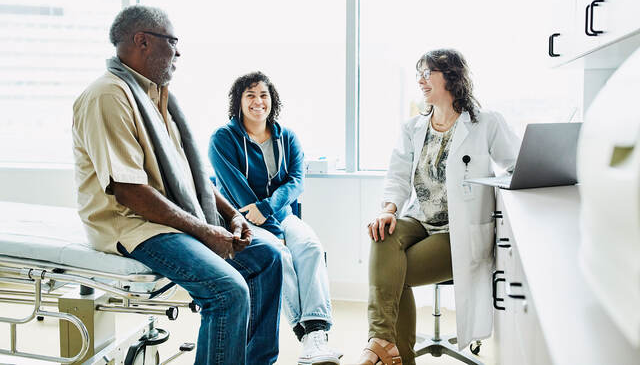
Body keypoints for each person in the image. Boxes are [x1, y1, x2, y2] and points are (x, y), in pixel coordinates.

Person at [72, 5, 283, 365]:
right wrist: (204, 231)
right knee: (227, 291)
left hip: (168, 219)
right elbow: (129, 191)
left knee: (268, 257)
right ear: (142, 42)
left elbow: (190, 176)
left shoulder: (160, 99)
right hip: (133, 225)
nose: (178, 52)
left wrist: (232, 217)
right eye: (172, 41)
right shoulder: (109, 96)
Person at [357, 49, 520, 365]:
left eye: (427, 72)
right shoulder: (413, 128)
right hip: (419, 218)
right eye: (419, 73)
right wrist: (389, 208)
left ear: (451, 77)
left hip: (458, 229)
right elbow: (398, 176)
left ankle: (387, 351)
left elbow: (516, 165)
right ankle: (382, 341)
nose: (420, 80)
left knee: (393, 274)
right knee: (382, 232)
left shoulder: (485, 123)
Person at [208, 72, 340, 365]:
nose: (258, 102)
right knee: (279, 255)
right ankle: (304, 333)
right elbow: (237, 192)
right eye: (250, 95)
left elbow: (296, 181)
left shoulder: (287, 136)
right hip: (242, 221)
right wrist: (269, 225)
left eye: (263, 95)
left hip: (281, 215)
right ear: (239, 101)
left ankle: (316, 334)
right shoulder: (222, 139)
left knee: (310, 248)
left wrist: (269, 210)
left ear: (272, 100)